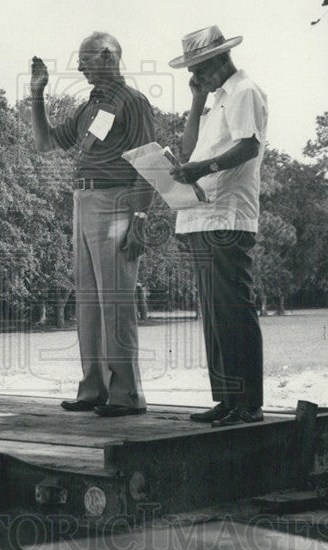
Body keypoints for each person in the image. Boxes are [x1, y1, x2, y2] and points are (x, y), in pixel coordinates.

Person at [30, 32, 154, 417]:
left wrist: (140, 220)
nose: (80, 66)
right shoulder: (90, 107)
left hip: (116, 203)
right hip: (82, 202)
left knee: (116, 299)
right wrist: (37, 95)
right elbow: (45, 142)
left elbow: (148, 164)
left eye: (85, 59)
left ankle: (126, 395)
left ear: (107, 55)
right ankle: (94, 388)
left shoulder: (133, 102)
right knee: (88, 301)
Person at [168, 26, 268, 426]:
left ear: (217, 62)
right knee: (213, 313)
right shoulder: (215, 100)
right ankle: (227, 401)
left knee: (233, 310)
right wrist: (196, 101)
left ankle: (248, 404)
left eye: (198, 70)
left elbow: (249, 146)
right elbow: (189, 149)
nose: (196, 77)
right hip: (202, 215)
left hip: (228, 215)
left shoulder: (245, 92)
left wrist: (201, 169)